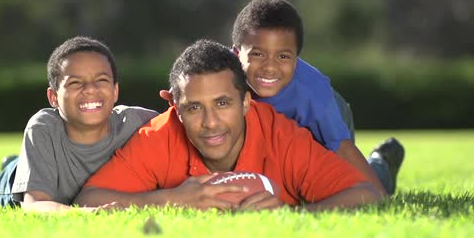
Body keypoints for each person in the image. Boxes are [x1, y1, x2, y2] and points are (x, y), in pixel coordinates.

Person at [74, 40, 384, 211]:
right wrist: (171, 198)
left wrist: (289, 214)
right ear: (175, 109)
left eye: (223, 103)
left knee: (378, 176)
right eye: (194, 108)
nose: (210, 123)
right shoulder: (160, 134)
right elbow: (88, 199)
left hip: (332, 123)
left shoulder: (282, 137)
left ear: (247, 102)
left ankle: (380, 163)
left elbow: (368, 194)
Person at [0, 36, 158, 212]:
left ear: (115, 91)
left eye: (101, 80)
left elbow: (183, 127)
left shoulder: (138, 122)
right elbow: (34, 203)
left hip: (40, 168)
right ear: (53, 98)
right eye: (75, 83)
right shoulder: (44, 127)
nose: (90, 90)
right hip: (10, 191)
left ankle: (18, 163)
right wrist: (84, 214)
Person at [230, 0, 405, 195]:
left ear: (296, 59)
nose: (270, 67)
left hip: (327, 120)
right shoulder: (218, 76)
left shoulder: (311, 92)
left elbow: (343, 149)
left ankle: (381, 165)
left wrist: (379, 195)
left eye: (283, 56)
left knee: (337, 182)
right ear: (236, 54)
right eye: (258, 54)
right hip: (276, 137)